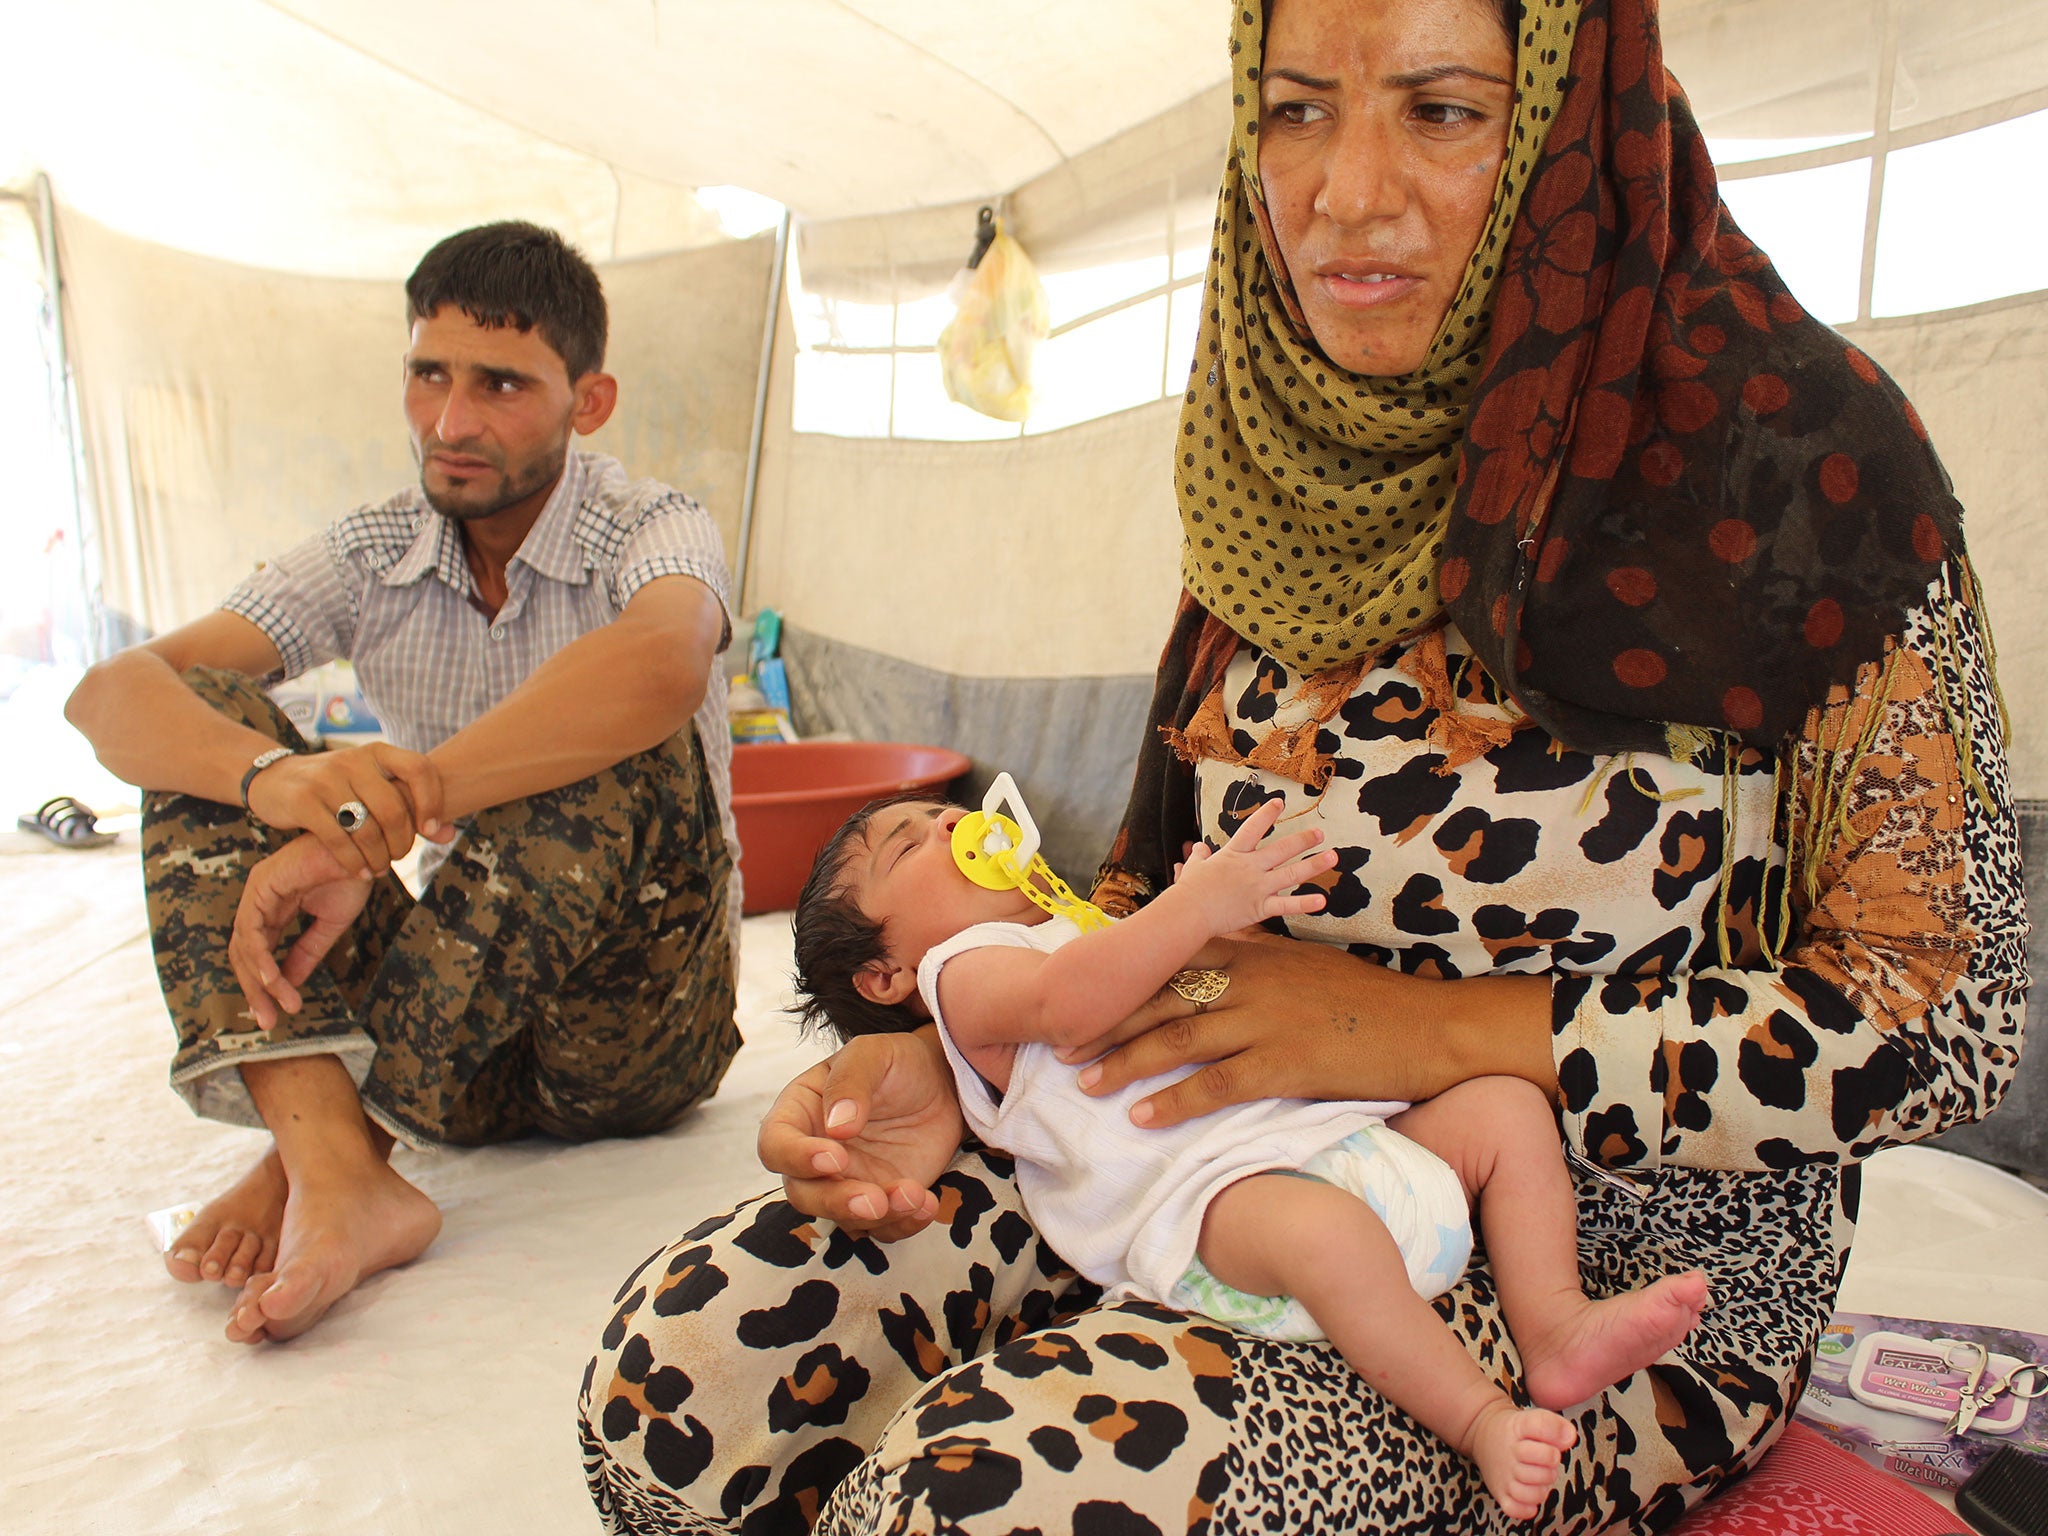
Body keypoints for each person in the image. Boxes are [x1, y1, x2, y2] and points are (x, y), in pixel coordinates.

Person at [580, 0, 2028, 1529]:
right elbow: (1140, 886)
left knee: (986, 1508)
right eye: (1295, 112)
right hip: (1183, 1133)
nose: (1348, 193)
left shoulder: (1808, 466)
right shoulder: (1274, 452)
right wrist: (963, 1060)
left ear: (1561, 115)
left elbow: (1950, 1015)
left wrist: (1431, 1035)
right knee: (683, 1392)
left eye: (1444, 109)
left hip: (1584, 1243)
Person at [67, 221, 744, 1347]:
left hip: (631, 1031)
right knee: (203, 722)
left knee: (615, 723)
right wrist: (278, 780)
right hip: (449, 1031)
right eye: (428, 373)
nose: (451, 421)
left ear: (589, 401)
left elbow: (664, 664)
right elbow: (112, 693)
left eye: (501, 384)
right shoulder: (372, 549)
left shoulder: (651, 523)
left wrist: (383, 812)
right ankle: (336, 1169)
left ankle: (320, 1159)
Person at [791, 790, 1709, 1522]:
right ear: (884, 977)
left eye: (940, 811)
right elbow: (1072, 1003)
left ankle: (1553, 1323)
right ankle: (1480, 1418)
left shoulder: (1057, 928)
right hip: (1211, 1202)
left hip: (1331, 1138)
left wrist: (1230, 930)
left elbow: (1206, 989)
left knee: (1506, 1110)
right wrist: (1192, 907)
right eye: (905, 846)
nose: (947, 822)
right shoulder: (968, 971)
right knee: (1328, 1235)